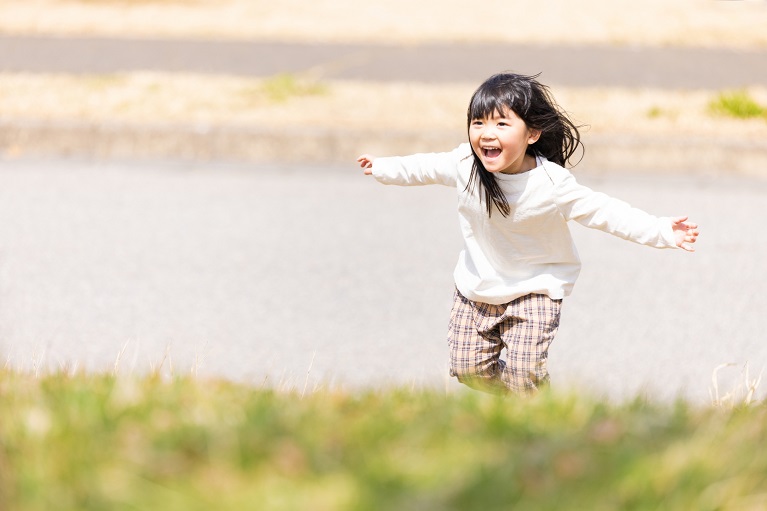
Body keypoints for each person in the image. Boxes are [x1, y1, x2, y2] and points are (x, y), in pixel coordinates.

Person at [356, 72, 699, 396]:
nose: (486, 134)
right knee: (468, 369)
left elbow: (604, 212)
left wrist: (660, 230)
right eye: (478, 123)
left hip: (537, 287)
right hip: (478, 286)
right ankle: (527, 402)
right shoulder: (464, 164)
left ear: (532, 134)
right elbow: (423, 167)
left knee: (522, 375)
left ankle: (534, 401)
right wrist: (383, 167)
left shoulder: (552, 184)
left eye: (502, 123)